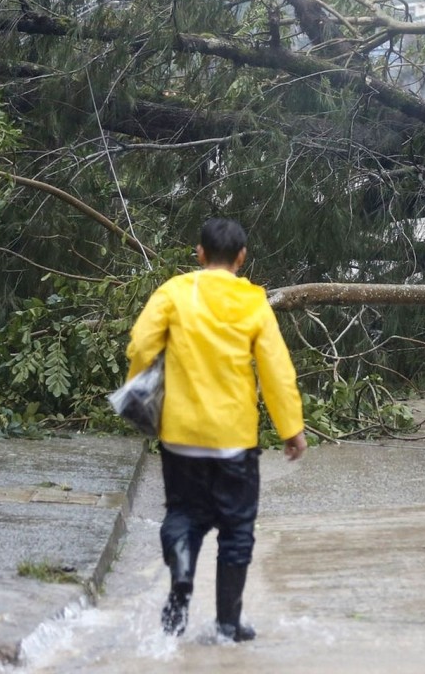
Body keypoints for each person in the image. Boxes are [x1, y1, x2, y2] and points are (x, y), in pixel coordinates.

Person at [125, 217, 308, 642]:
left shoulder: (174, 291)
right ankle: (228, 623)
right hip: (234, 441)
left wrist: (142, 399)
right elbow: (276, 371)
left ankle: (182, 580)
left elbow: (140, 344)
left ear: (199, 253)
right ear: (242, 257)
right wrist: (291, 429)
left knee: (183, 516)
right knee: (236, 530)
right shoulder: (253, 302)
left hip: (180, 436)